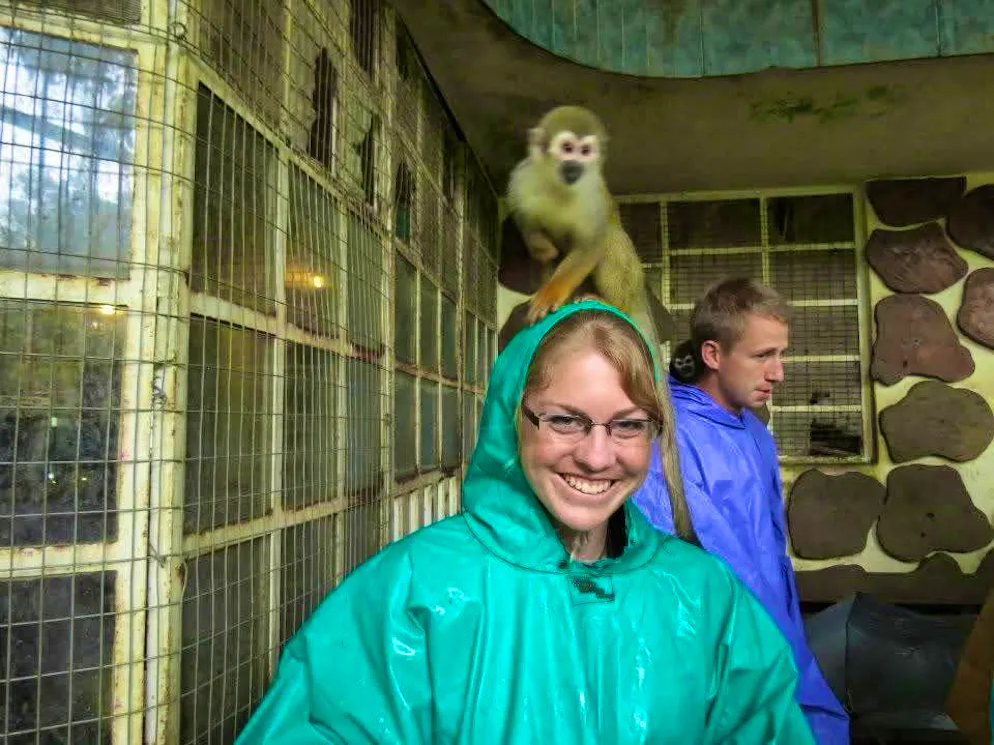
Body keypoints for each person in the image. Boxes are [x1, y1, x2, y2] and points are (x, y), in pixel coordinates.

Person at [235, 299, 816, 744]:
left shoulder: (706, 595)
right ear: (512, 420)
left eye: (628, 424)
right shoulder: (414, 592)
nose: (596, 457)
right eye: (564, 420)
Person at [631, 278, 850, 745]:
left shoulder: (754, 431)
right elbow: (675, 576)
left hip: (779, 637)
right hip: (720, 654)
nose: (779, 373)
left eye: (781, 354)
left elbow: (769, 554)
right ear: (713, 354)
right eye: (763, 355)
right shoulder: (668, 439)